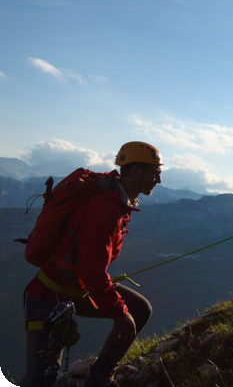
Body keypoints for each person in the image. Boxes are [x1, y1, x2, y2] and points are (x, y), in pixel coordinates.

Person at [20, 141, 162, 387]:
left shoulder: (116, 202)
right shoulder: (104, 209)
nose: (158, 180)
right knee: (41, 378)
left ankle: (99, 380)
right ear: (136, 171)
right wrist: (119, 313)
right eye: (155, 172)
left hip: (72, 292)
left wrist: (119, 310)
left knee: (139, 309)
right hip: (48, 298)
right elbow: (93, 272)